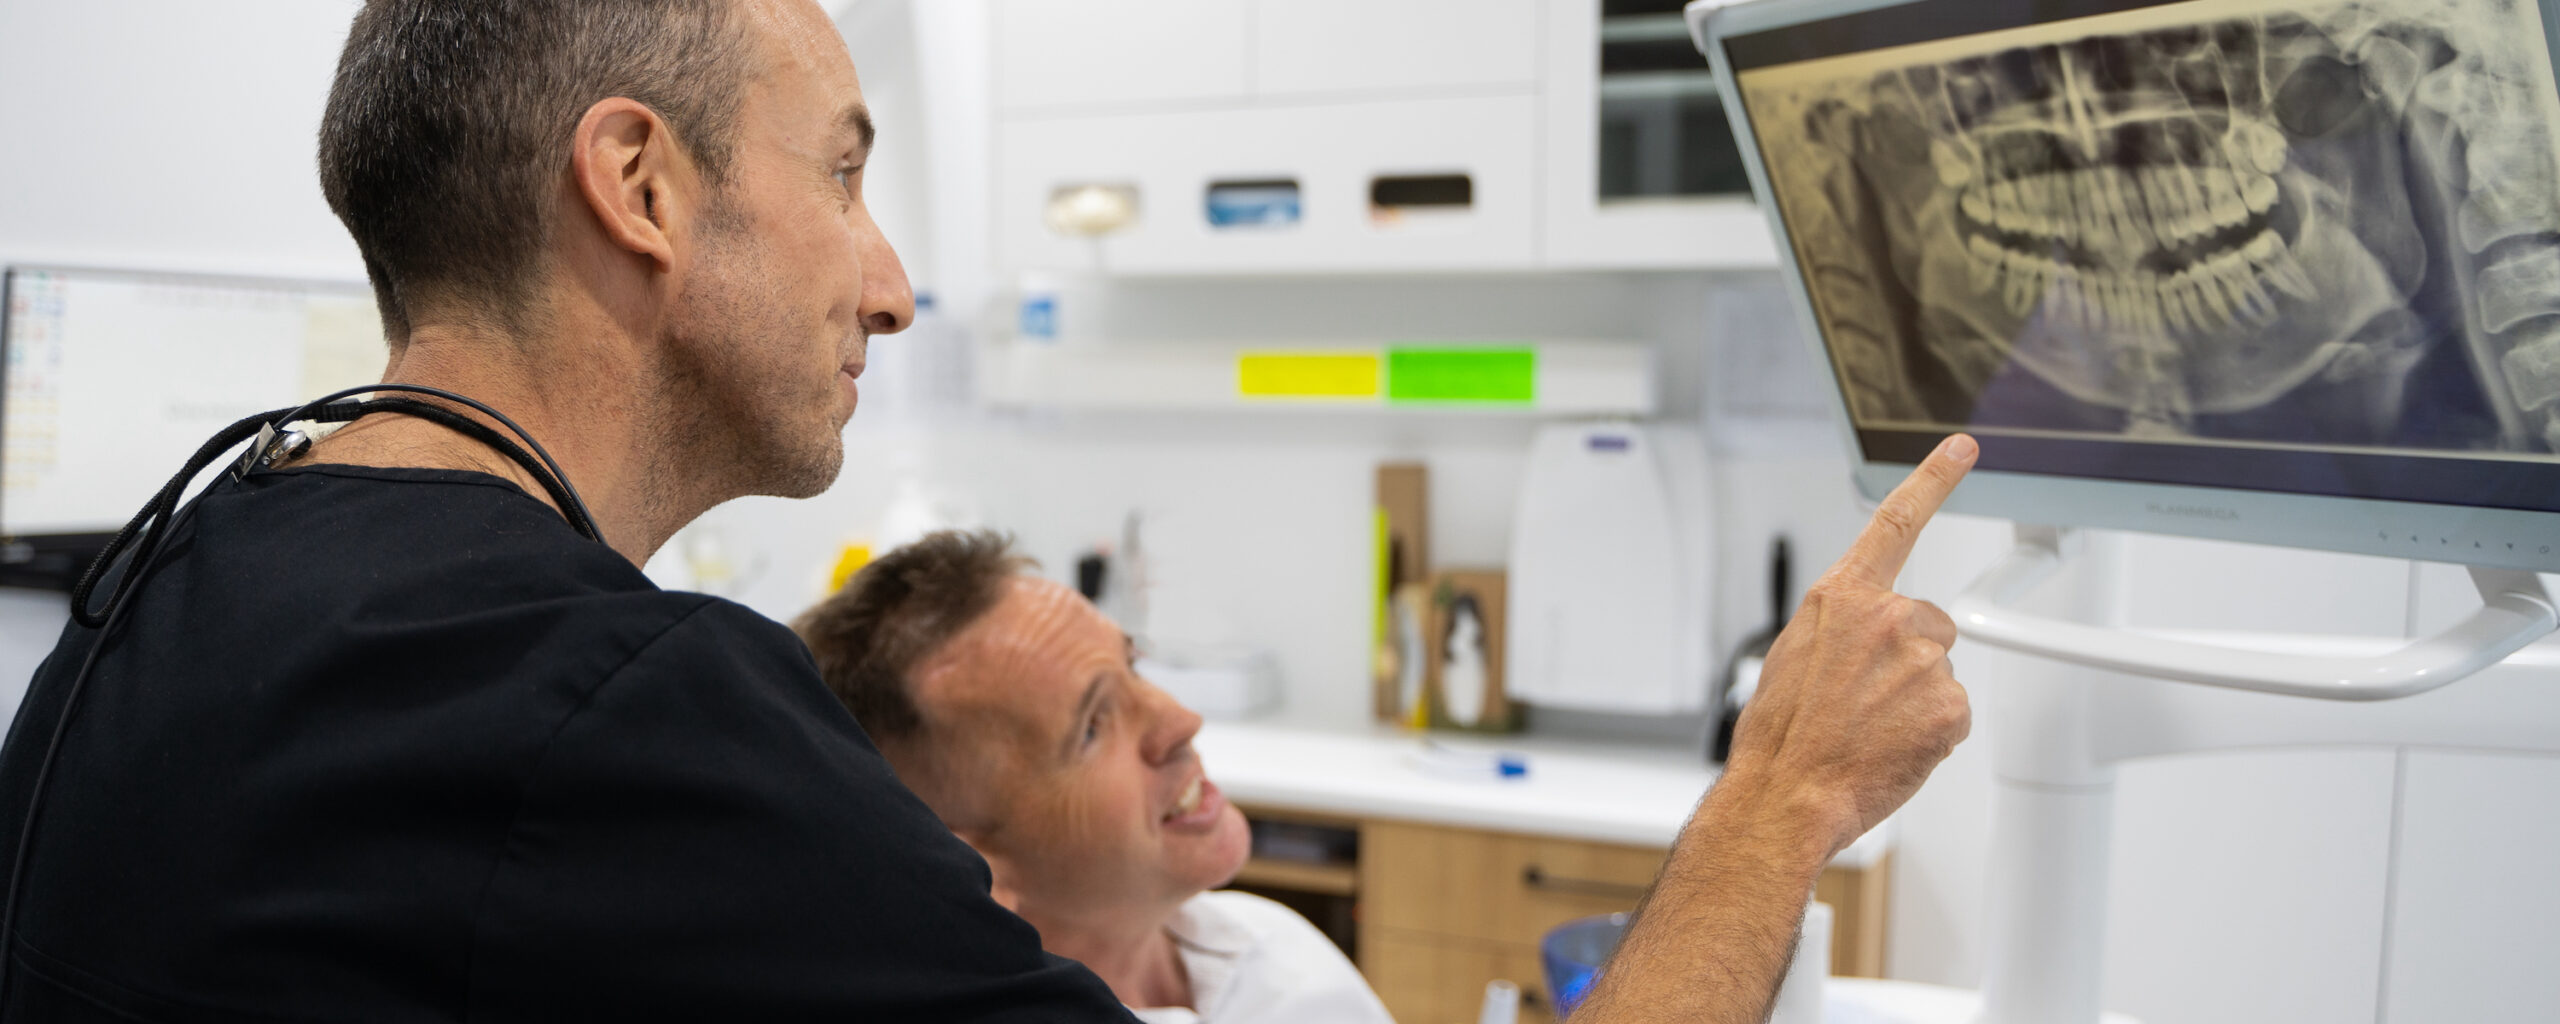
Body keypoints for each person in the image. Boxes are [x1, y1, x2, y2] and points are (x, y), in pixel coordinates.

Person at [0, 0, 1979, 1019]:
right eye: (845, 174)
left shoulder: (173, 577)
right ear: (643, 186)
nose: (890, 277)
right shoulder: (621, 706)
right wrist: (1782, 787)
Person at [792, 531, 1395, 1024]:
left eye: (1133, 665)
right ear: (967, 861)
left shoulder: (1267, 945)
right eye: (1092, 727)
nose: (1181, 721)